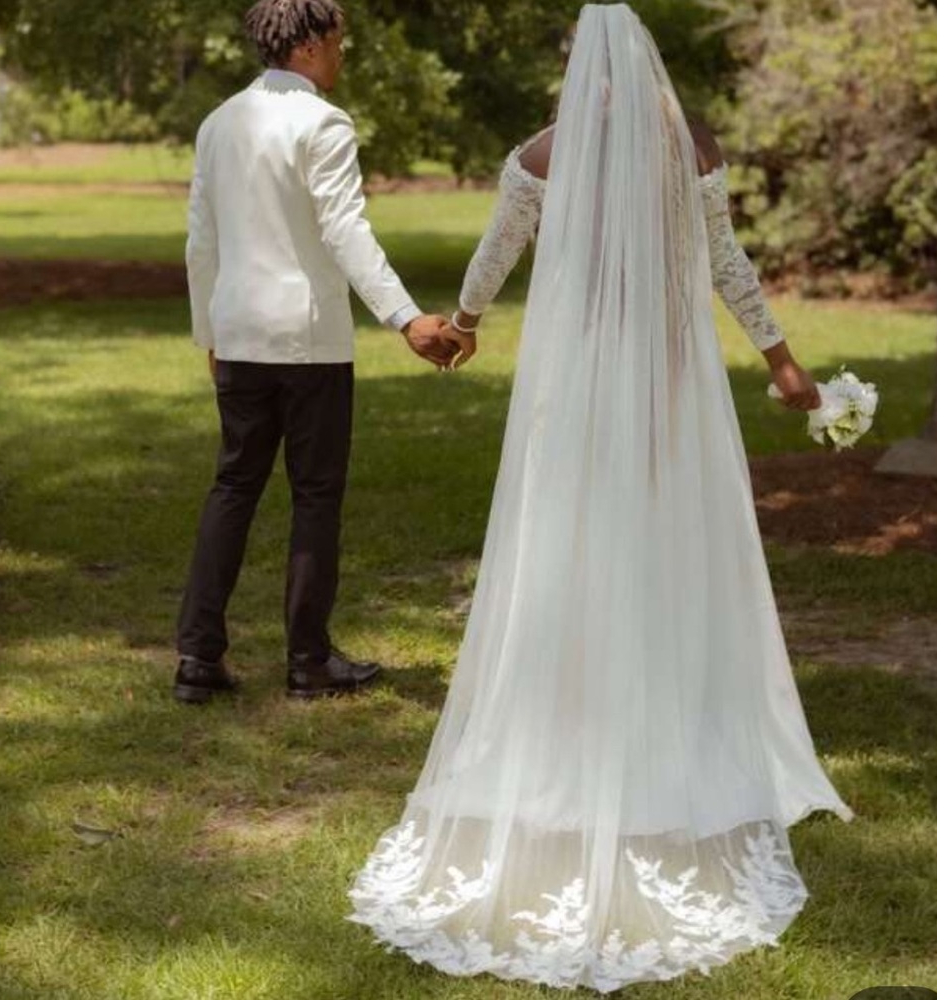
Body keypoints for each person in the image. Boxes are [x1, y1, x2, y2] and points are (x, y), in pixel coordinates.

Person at [349, 4, 852, 991]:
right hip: (665, 384)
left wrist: (462, 322)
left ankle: (579, 715)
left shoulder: (544, 152)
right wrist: (782, 361)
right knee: (657, 543)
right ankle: (654, 719)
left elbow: (497, 253)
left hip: (577, 385)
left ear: (580, 65)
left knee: (572, 545)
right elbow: (727, 265)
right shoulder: (689, 144)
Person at [174, 0, 468, 704]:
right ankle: (308, 661)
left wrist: (209, 333)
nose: (342, 54)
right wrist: (405, 318)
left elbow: (200, 241)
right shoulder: (324, 123)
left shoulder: (218, 123)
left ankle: (197, 658)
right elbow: (345, 229)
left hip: (240, 335)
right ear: (307, 46)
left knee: (232, 488)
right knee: (314, 496)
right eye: (337, 42)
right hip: (308, 342)